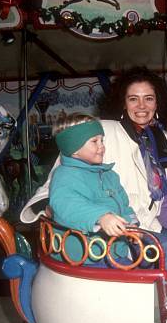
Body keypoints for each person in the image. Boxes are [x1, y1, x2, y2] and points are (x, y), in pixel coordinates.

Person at [21, 67, 167, 268]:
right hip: (108, 233)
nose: (141, 105)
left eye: (148, 98)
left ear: (158, 102)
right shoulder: (102, 130)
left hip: (153, 224)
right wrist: (49, 206)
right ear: (123, 103)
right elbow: (61, 177)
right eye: (133, 99)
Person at [49, 113, 139, 264]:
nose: (101, 146)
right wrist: (101, 217)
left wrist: (132, 224)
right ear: (74, 148)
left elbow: (124, 205)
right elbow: (67, 204)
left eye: (102, 140)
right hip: (85, 256)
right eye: (94, 141)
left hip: (114, 251)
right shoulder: (65, 175)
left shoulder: (109, 175)